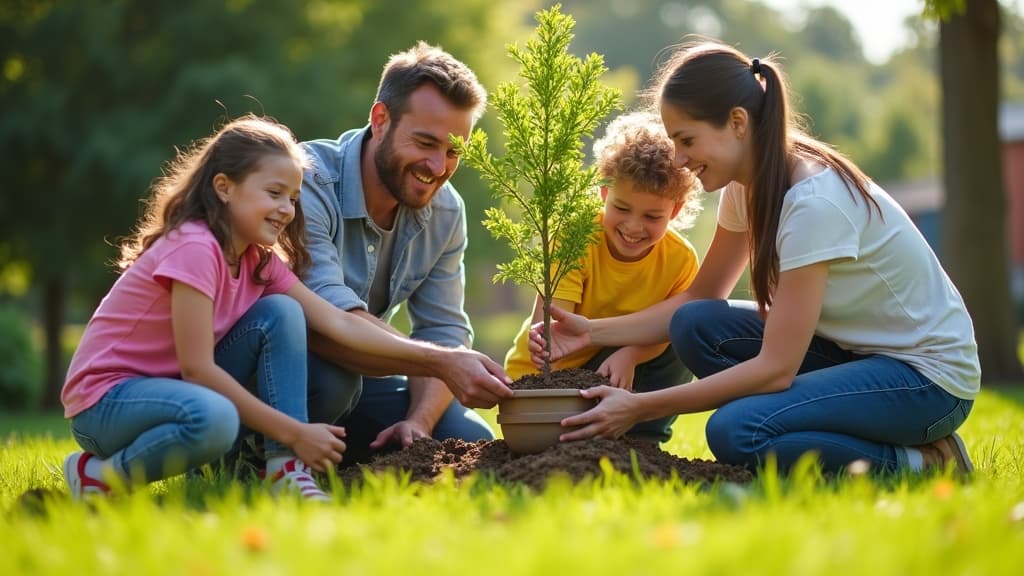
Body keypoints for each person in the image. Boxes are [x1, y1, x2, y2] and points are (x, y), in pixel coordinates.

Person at [530, 41, 980, 476]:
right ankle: (832, 426)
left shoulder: (814, 202)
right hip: (853, 355)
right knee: (696, 324)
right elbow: (699, 298)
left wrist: (641, 407)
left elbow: (776, 369)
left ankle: (926, 461)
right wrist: (591, 331)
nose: (680, 160)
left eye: (687, 140)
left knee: (737, 430)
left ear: (738, 122)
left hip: (926, 382)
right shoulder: (744, 188)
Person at [60, 115, 508, 502]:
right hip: (108, 401)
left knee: (282, 313)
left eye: (293, 198)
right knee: (213, 418)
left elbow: (335, 321)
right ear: (224, 188)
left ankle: (283, 470)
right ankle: (96, 476)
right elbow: (198, 370)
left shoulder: (260, 261)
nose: (287, 210)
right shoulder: (196, 247)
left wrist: (448, 359)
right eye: (274, 193)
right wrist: (295, 432)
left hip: (173, 394)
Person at [300, 42, 512, 463]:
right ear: (381, 120)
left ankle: (351, 457)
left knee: (463, 436)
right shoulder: (305, 181)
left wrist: (419, 421)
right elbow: (326, 325)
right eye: (425, 143)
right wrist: (443, 362)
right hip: (290, 364)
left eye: (453, 151)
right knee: (331, 383)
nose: (437, 167)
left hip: (366, 373)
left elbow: (444, 329)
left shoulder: (446, 210)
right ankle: (251, 458)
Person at [503, 111, 702, 443]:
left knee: (686, 332)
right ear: (604, 194)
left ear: (676, 211)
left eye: (652, 216)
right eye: (622, 209)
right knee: (555, 441)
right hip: (551, 375)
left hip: (618, 366)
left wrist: (632, 354)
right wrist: (549, 349)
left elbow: (666, 329)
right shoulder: (576, 236)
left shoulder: (680, 259)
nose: (634, 227)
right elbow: (551, 328)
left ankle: (642, 440)